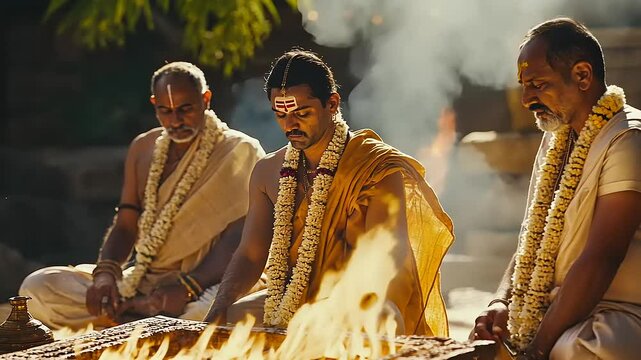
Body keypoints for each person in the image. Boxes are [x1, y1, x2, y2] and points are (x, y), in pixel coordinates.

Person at [203, 49, 454, 336]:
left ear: (332, 103)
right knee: (226, 321)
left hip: (363, 300)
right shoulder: (267, 172)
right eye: (280, 114)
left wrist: (330, 310)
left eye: (302, 113)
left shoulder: (376, 168)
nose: (290, 125)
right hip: (291, 301)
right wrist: (218, 307)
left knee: (380, 320)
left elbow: (385, 258)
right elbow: (250, 254)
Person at [19, 61, 265, 329]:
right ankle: (138, 321)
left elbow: (243, 236)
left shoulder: (241, 151)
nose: (176, 121)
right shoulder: (144, 147)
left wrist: (187, 288)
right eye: (165, 111)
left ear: (206, 99)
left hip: (206, 282)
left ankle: (138, 325)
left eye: (185, 109)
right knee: (37, 289)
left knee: (210, 311)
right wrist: (106, 274)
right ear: (154, 104)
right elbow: (126, 223)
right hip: (142, 282)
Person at [472, 18, 641, 360]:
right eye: (523, 85)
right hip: (557, 309)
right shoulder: (556, 139)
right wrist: (500, 301)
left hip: (622, 310)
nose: (525, 99)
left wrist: (537, 349)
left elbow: (602, 257)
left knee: (575, 351)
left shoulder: (628, 138)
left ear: (582, 75)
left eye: (537, 84)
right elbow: (531, 242)